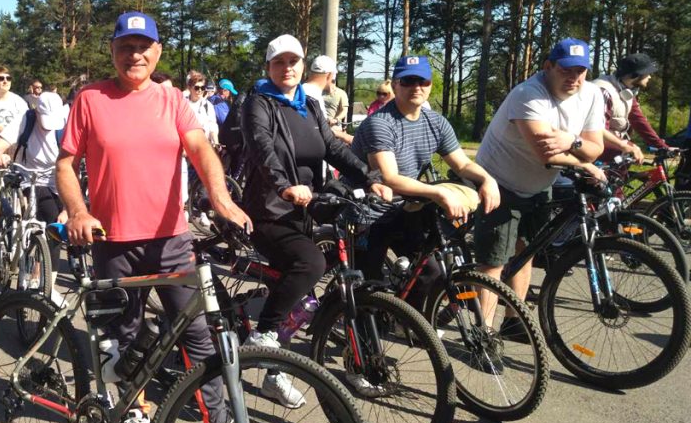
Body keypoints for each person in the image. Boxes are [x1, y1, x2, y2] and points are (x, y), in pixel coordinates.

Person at [57, 10, 250, 423]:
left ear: (157, 52)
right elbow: (66, 164)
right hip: (111, 240)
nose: (135, 55)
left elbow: (200, 148)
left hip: (171, 240)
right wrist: (78, 210)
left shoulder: (173, 100)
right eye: (126, 46)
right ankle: (134, 412)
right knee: (123, 336)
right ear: (113, 51)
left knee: (199, 335)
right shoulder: (90, 99)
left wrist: (221, 199)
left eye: (144, 48)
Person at [242, 33, 391, 397]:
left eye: (293, 61)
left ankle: (276, 369)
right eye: (279, 62)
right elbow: (263, 150)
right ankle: (262, 338)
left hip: (307, 209)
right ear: (269, 67)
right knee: (310, 265)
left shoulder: (309, 105)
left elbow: (333, 150)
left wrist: (370, 180)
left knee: (310, 287)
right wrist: (283, 187)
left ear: (303, 66)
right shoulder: (258, 103)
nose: (287, 68)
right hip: (271, 210)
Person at [474, 38, 604, 328]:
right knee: (493, 260)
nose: (574, 78)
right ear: (548, 67)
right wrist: (584, 161)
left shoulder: (592, 94)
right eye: (566, 70)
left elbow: (596, 147)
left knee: (526, 251)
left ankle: (513, 322)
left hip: (537, 184)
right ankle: (484, 332)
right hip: (499, 182)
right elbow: (547, 155)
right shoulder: (529, 94)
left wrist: (572, 140)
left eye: (581, 71)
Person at [350, 55, 500, 285]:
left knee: (430, 275)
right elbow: (389, 178)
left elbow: (462, 164)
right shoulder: (379, 123)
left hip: (407, 207)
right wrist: (439, 193)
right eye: (408, 80)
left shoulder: (435, 122)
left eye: (423, 81)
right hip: (370, 211)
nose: (416, 87)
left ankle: (405, 321)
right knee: (370, 285)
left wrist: (487, 179)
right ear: (394, 84)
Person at [0, 91, 67, 224]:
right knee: (52, 215)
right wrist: (0, 156)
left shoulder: (66, 122)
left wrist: (67, 209)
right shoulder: (25, 120)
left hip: (60, 180)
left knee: (70, 222)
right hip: (31, 179)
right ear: (37, 112)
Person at [593, 53, 667, 164]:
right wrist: (628, 146)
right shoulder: (605, 91)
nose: (650, 77)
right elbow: (599, 132)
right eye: (647, 73)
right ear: (636, 75)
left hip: (617, 152)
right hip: (599, 157)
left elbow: (639, 121)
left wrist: (662, 146)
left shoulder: (626, 91)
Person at [185, 71, 219, 145]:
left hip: (204, 146)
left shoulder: (208, 105)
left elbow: (212, 125)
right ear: (189, 88)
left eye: (202, 88)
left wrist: (216, 143)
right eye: (197, 88)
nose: (200, 90)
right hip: (187, 146)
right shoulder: (183, 104)